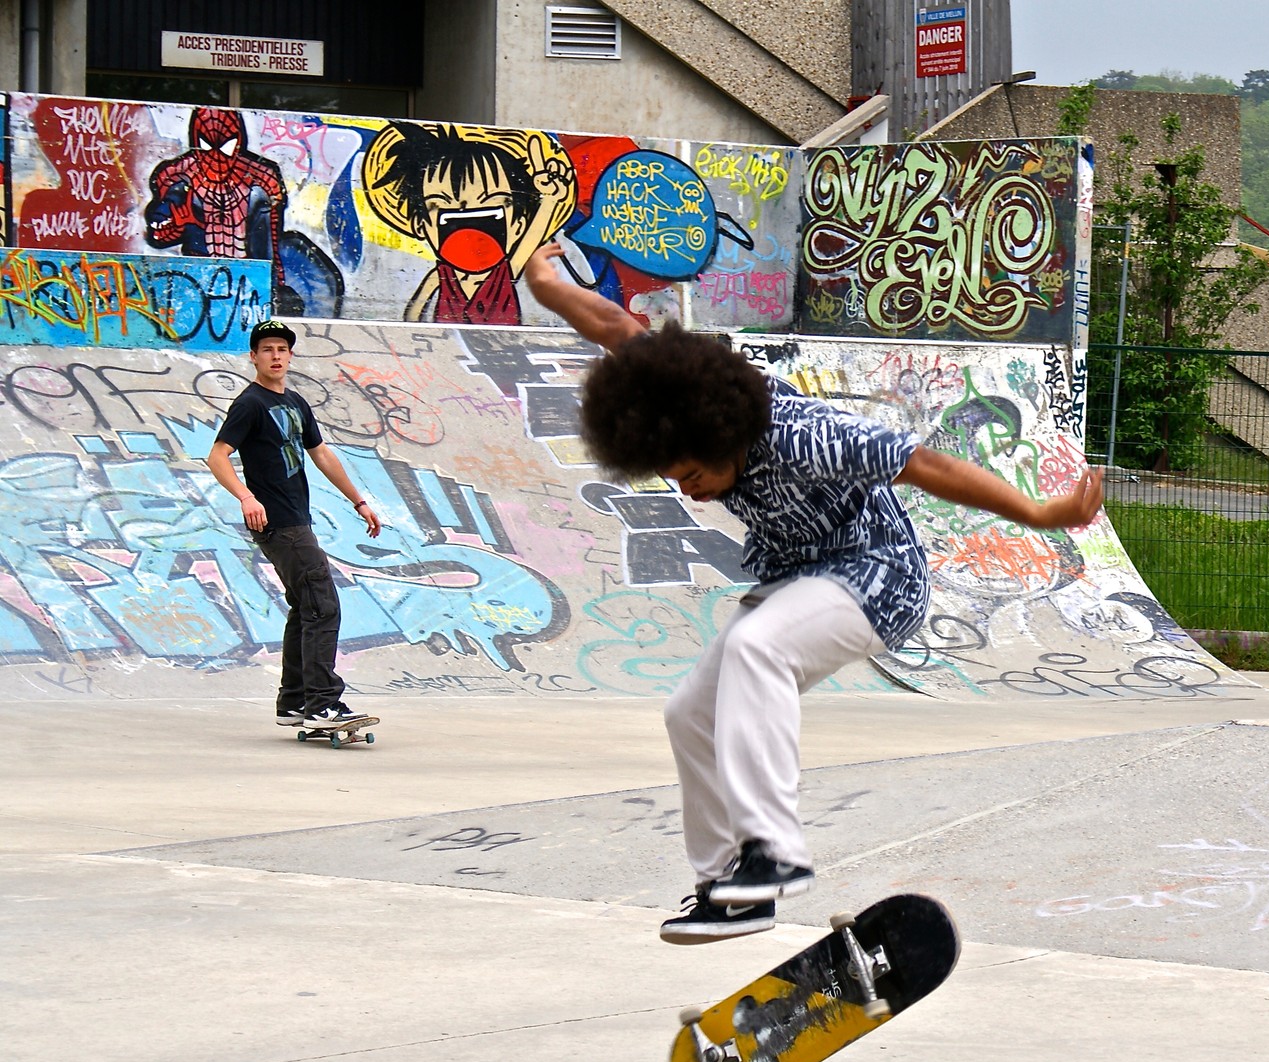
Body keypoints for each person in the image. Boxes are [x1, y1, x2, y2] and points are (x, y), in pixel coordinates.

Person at [524, 244, 1104, 945]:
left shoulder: (801, 436)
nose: (689, 488)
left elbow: (926, 463)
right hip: (800, 578)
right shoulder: (680, 399)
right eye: (671, 477)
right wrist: (547, 282)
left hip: (877, 576)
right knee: (688, 715)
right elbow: (618, 330)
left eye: (692, 471)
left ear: (722, 431)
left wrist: (1039, 514)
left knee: (755, 648)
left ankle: (777, 852)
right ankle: (726, 889)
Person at [206, 319, 383, 730]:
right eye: (267, 349)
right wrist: (246, 497)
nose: (276, 356)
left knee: (306, 607)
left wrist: (358, 500)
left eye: (282, 349)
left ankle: (292, 701)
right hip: (278, 521)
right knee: (323, 604)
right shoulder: (249, 404)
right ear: (254, 356)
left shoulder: (297, 404)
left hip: (295, 518)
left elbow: (321, 455)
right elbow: (217, 456)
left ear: (290, 356)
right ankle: (322, 703)